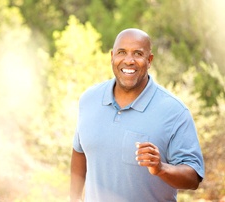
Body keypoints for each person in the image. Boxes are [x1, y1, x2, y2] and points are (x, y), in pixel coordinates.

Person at [70, 28, 205, 202]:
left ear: (149, 60)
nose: (129, 60)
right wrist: (74, 198)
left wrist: (160, 168)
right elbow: (79, 151)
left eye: (138, 54)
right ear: (112, 57)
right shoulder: (89, 99)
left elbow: (193, 178)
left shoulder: (175, 111)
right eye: (121, 52)